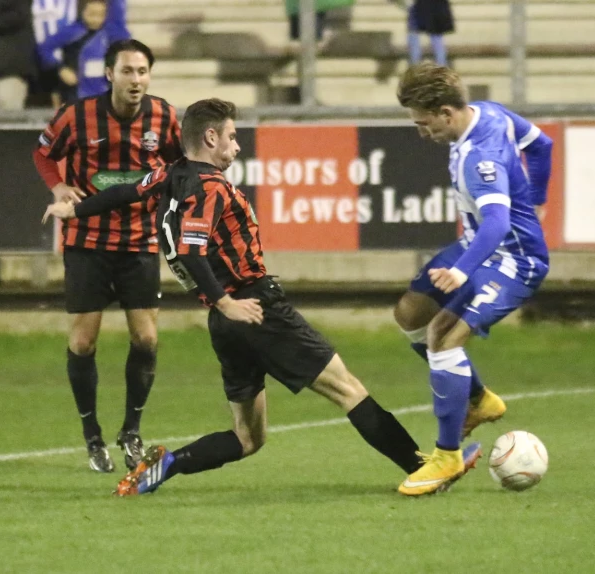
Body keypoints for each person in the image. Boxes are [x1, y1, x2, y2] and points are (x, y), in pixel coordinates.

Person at [43, 97, 484, 496]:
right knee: (349, 389)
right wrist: (226, 302)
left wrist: (74, 209)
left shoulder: (170, 174)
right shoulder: (210, 187)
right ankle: (422, 468)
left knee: (249, 438)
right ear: (210, 137)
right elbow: (194, 252)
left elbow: (123, 192)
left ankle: (168, 465)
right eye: (232, 137)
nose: (237, 146)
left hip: (225, 325)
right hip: (254, 307)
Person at [393, 62, 553, 496]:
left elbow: (498, 224)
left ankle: (445, 458)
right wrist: (537, 202)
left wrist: (462, 270)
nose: (422, 133)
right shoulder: (490, 111)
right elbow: (542, 145)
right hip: (476, 245)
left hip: (514, 259)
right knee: (410, 313)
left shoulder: (478, 158)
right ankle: (479, 400)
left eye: (424, 124)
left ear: (446, 112)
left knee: (444, 336)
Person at [33, 39, 183, 473]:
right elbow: (42, 152)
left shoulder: (164, 116)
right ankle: (92, 436)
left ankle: (131, 431)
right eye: (127, 71)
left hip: (139, 241)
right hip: (86, 242)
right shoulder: (76, 116)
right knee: (83, 342)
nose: (136, 80)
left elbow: (180, 164)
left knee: (147, 339)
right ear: (109, 75)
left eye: (142, 71)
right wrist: (58, 186)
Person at [37, 0, 129, 105]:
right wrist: (61, 69)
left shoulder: (110, 33)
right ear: (82, 12)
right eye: (91, 14)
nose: (96, 19)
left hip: (103, 91)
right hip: (76, 92)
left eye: (101, 15)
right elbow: (44, 49)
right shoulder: (72, 32)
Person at [406, 0, 454, 65]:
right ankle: (441, 67)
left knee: (436, 40)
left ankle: (415, 67)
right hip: (430, 9)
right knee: (436, 40)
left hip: (431, 9)